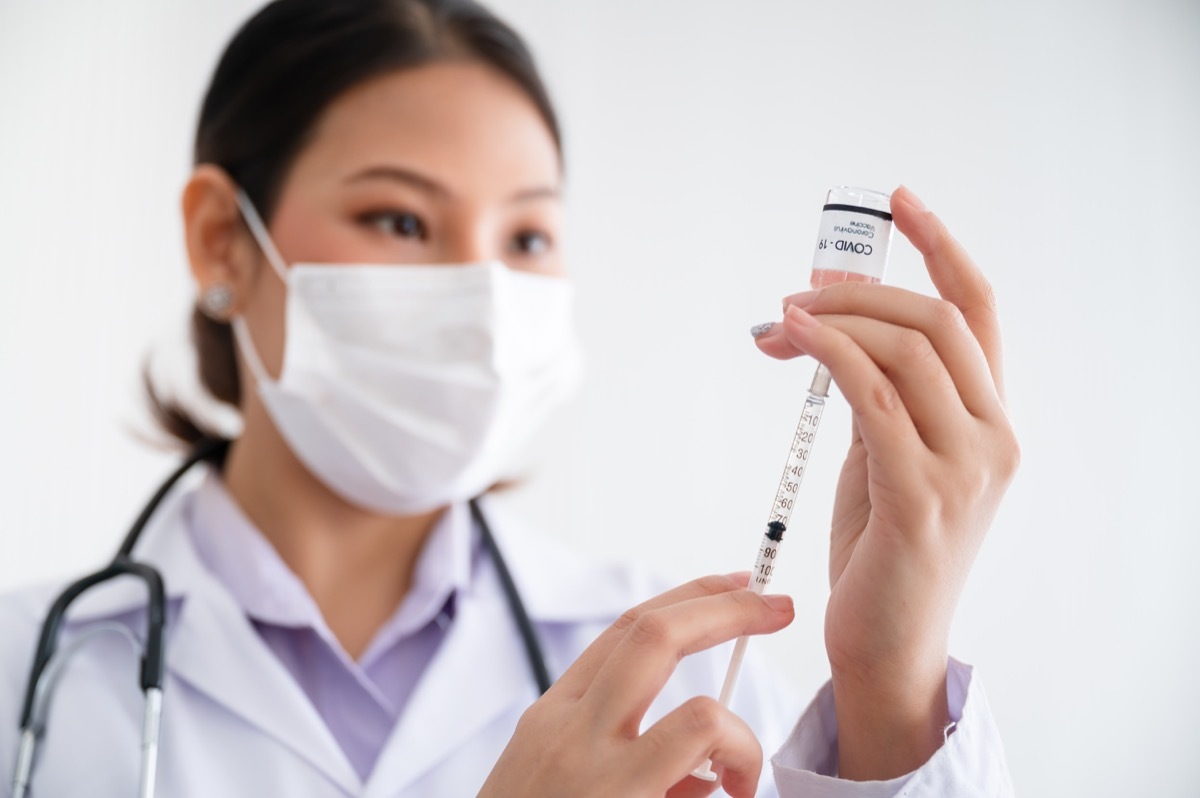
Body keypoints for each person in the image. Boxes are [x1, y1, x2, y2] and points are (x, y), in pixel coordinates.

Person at [0, 0, 1020, 795]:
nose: (483, 296)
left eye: (526, 237)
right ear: (224, 239)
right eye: (400, 221)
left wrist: (890, 686)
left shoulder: (690, 675)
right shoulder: (25, 679)